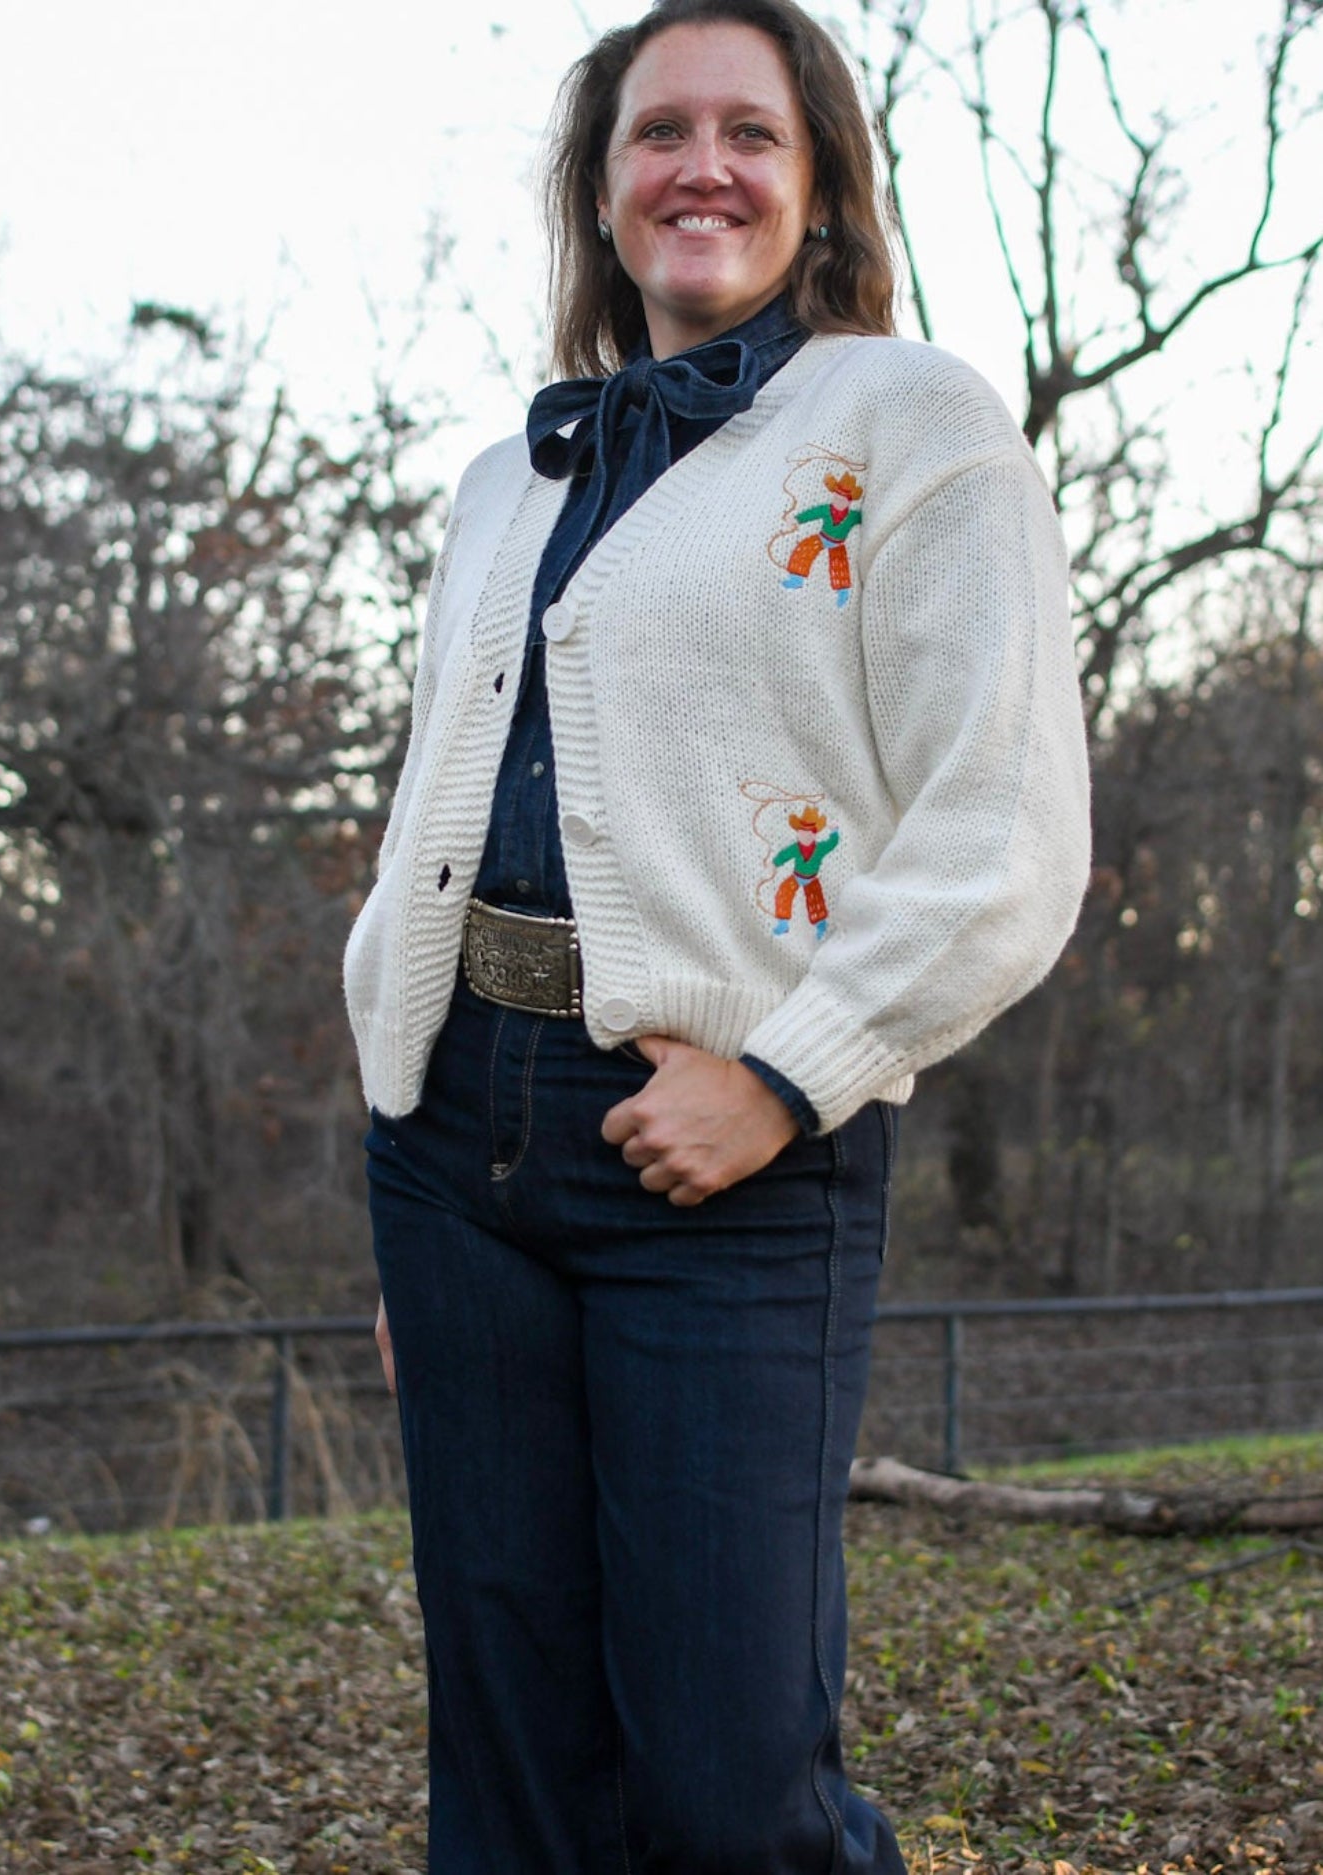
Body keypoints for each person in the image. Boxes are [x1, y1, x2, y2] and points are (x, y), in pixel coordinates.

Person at [344, 0, 1091, 1867]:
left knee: (728, 1779)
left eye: (751, 133)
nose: (704, 168)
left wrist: (784, 1076)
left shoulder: (913, 424)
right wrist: (410, 1131)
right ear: (601, 194)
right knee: (511, 1759)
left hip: (730, 1158)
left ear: (820, 185)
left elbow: (1004, 827)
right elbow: (436, 813)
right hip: (454, 1158)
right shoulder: (508, 479)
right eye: (659, 133)